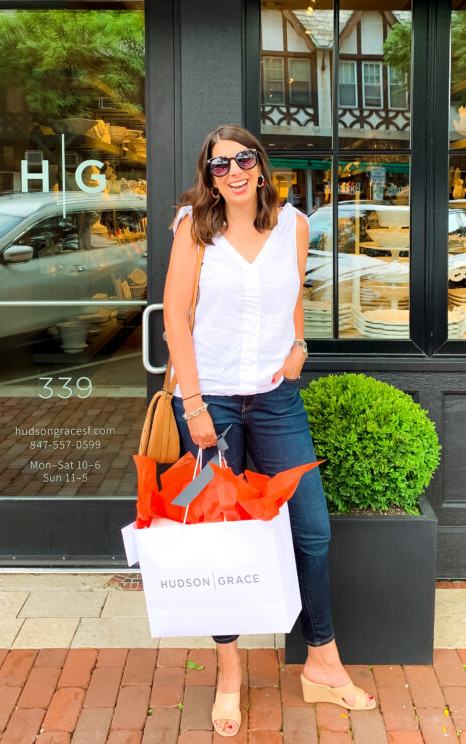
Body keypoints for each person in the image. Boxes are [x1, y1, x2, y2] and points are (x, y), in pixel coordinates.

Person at [163, 124, 375, 738]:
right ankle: (229, 673)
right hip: (213, 402)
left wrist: (300, 343)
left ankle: (324, 662)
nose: (231, 171)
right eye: (218, 164)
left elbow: (293, 297)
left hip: (276, 396)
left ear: (261, 164)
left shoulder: (295, 226)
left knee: (311, 528)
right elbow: (176, 315)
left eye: (242, 159)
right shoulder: (193, 227)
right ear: (208, 175)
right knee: (219, 537)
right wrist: (195, 404)